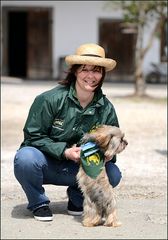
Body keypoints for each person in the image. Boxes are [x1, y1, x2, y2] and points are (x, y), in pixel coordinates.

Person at [14, 43, 122, 222]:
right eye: (84, 70)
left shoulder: (106, 108)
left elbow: (113, 144)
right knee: (25, 159)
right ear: (75, 72)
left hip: (80, 168)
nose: (90, 76)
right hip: (47, 164)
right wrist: (65, 151)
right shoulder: (49, 99)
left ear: (102, 75)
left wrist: (108, 155)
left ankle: (77, 198)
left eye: (96, 71)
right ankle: (38, 203)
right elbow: (33, 136)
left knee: (113, 174)